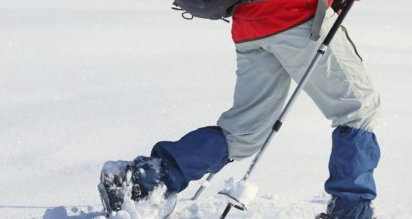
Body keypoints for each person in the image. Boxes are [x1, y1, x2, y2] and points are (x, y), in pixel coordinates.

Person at [101, 0, 381, 218]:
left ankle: (146, 180)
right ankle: (351, 210)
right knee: (358, 110)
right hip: (298, 16)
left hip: (250, 23)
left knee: (244, 133)